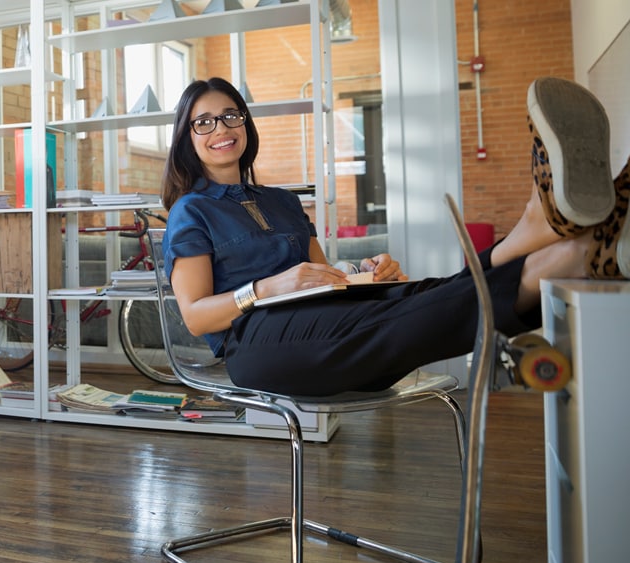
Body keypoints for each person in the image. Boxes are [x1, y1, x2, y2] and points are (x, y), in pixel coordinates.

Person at [160, 76, 627, 396]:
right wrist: (265, 289)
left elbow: (325, 275)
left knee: (426, 292)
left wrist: (361, 273)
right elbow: (198, 318)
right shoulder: (190, 212)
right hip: (259, 345)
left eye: (231, 115)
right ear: (187, 137)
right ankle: (567, 248)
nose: (221, 128)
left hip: (334, 326)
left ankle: (559, 246)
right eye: (204, 122)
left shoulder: (282, 202)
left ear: (245, 123)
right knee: (415, 313)